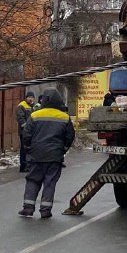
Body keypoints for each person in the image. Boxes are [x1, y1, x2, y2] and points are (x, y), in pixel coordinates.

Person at [18, 88, 75, 219]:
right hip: (55, 156)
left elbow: (26, 134)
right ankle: (45, 210)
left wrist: (28, 149)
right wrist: (63, 149)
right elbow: (70, 136)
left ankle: (28, 208)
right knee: (50, 183)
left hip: (36, 155)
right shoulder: (64, 117)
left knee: (33, 180)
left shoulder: (35, 115)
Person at [15, 91, 36, 172]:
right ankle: (23, 166)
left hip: (31, 132)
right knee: (24, 149)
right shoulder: (22, 105)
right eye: (29, 97)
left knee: (29, 148)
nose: (31, 99)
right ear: (26, 98)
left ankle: (29, 165)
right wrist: (26, 127)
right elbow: (20, 118)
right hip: (23, 132)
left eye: (32, 97)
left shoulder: (32, 107)